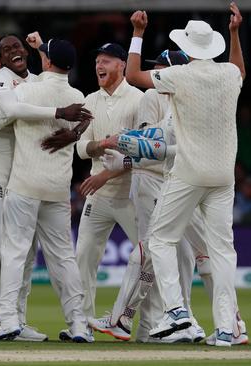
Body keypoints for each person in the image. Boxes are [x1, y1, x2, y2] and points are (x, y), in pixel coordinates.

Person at [124, 3, 245, 346]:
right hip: (223, 176)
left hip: (190, 172)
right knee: (222, 252)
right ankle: (226, 329)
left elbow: (134, 76)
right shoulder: (229, 74)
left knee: (161, 239)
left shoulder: (180, 75)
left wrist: (137, 34)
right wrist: (235, 33)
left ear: (188, 48)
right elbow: (239, 68)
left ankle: (176, 310)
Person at [0, 39, 90, 342]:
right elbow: (86, 121)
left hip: (25, 184)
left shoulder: (27, 90)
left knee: (13, 252)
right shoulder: (77, 95)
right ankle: (79, 324)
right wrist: (73, 132)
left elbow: (11, 108)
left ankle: (6, 320)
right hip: (57, 188)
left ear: (48, 61)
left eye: (43, 54)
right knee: (63, 257)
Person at [89, 49, 204, 343]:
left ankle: (158, 318)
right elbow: (147, 146)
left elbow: (161, 147)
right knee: (153, 250)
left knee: (176, 254)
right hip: (150, 182)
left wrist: (124, 156)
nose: (155, 75)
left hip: (177, 183)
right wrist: (127, 158)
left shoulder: (184, 102)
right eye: (156, 69)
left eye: (161, 69)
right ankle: (129, 318)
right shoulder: (152, 97)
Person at [73, 43, 143, 339]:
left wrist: (105, 174)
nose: (99, 66)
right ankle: (82, 325)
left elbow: (143, 154)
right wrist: (100, 145)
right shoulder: (90, 100)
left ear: (121, 66)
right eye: (97, 61)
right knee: (83, 257)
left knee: (147, 256)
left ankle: (145, 325)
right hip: (98, 196)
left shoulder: (139, 100)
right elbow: (80, 149)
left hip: (131, 194)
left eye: (106, 61)